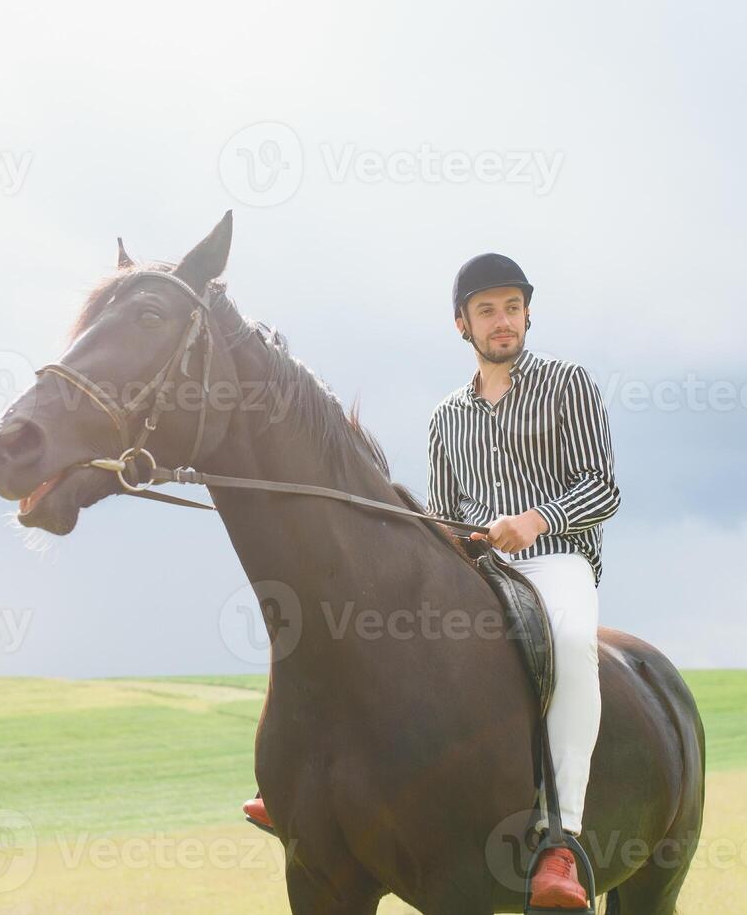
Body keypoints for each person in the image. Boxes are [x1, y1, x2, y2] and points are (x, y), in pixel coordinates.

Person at [243, 253, 620, 912]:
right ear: (462, 325)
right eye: (486, 310)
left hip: (555, 557)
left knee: (571, 646)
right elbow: (445, 513)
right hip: (479, 563)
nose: (501, 321)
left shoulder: (569, 385)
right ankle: (307, 792)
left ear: (528, 313)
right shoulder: (446, 416)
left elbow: (603, 488)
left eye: (511, 307)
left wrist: (535, 520)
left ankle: (560, 841)